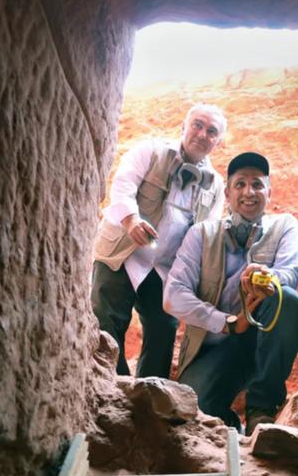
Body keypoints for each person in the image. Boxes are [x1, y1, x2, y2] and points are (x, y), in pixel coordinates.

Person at [163, 152, 298, 435]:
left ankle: (261, 410)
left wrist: (266, 276)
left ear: (269, 191)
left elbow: (289, 273)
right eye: (240, 184)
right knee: (195, 409)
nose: (249, 192)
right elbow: (173, 294)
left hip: (265, 339)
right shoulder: (200, 234)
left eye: (257, 184)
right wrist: (229, 322)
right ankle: (233, 431)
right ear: (227, 193)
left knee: (288, 298)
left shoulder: (285, 225)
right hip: (216, 345)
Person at [91, 103, 226, 377]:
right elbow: (123, 185)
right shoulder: (149, 151)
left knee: (164, 331)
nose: (202, 134)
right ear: (183, 127)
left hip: (164, 270)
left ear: (217, 142)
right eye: (198, 125)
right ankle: (112, 387)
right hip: (122, 254)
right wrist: (131, 220)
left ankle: (147, 400)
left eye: (211, 131)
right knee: (106, 321)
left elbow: (207, 235)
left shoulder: (216, 185)